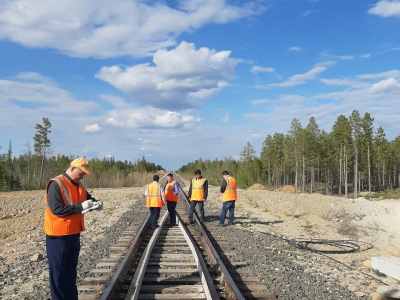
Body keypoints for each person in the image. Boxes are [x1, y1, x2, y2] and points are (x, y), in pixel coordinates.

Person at [44, 158, 102, 300]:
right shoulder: (56, 184)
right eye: (81, 173)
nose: (82, 176)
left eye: (84, 174)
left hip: (73, 234)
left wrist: (97, 203)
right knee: (58, 275)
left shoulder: (79, 186)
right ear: (72, 168)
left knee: (70, 274)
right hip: (57, 236)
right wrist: (81, 206)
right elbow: (57, 209)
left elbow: (88, 199)